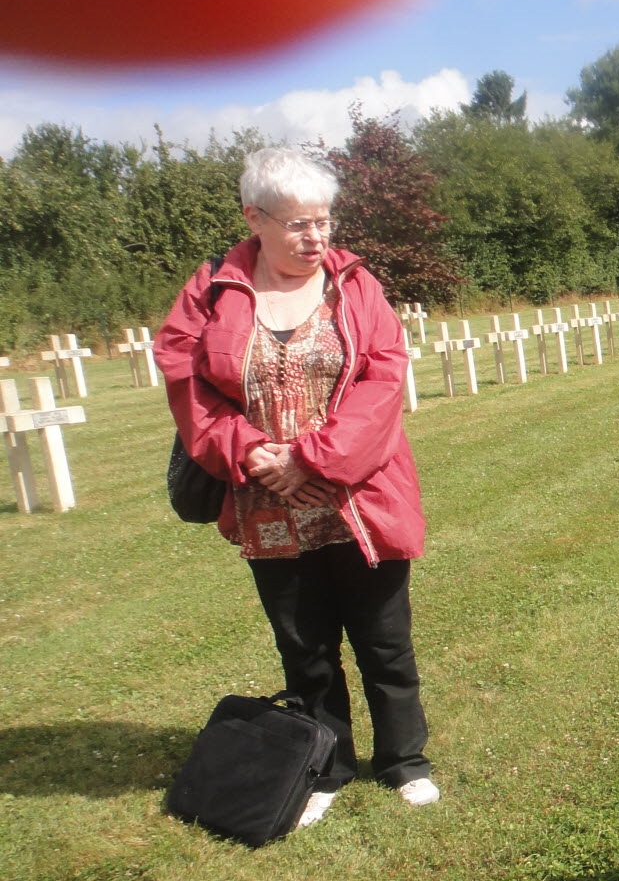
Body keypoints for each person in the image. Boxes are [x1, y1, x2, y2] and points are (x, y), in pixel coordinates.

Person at [155, 146, 438, 827]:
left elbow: (382, 378)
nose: (318, 237)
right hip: (264, 501)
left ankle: (404, 761)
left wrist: (312, 460)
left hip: (356, 493)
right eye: (299, 224)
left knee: (383, 640)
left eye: (325, 221)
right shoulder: (213, 288)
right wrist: (252, 455)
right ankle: (328, 765)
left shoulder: (354, 286)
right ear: (255, 218)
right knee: (305, 650)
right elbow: (186, 378)